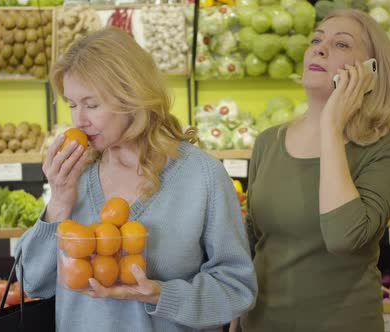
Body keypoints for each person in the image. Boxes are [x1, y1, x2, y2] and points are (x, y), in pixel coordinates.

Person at [15, 27, 257, 332]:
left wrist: (161, 294)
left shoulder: (201, 176)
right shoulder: (78, 173)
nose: (79, 120)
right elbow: (33, 282)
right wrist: (59, 203)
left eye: (92, 105)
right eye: (72, 104)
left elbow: (236, 290)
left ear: (132, 97)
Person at [241, 9, 390, 332]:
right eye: (316, 39)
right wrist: (236, 303)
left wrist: (331, 126)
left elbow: (344, 237)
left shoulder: (387, 148)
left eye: (341, 45)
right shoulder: (267, 142)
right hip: (261, 323)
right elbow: (253, 239)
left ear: (371, 71)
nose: (319, 48)